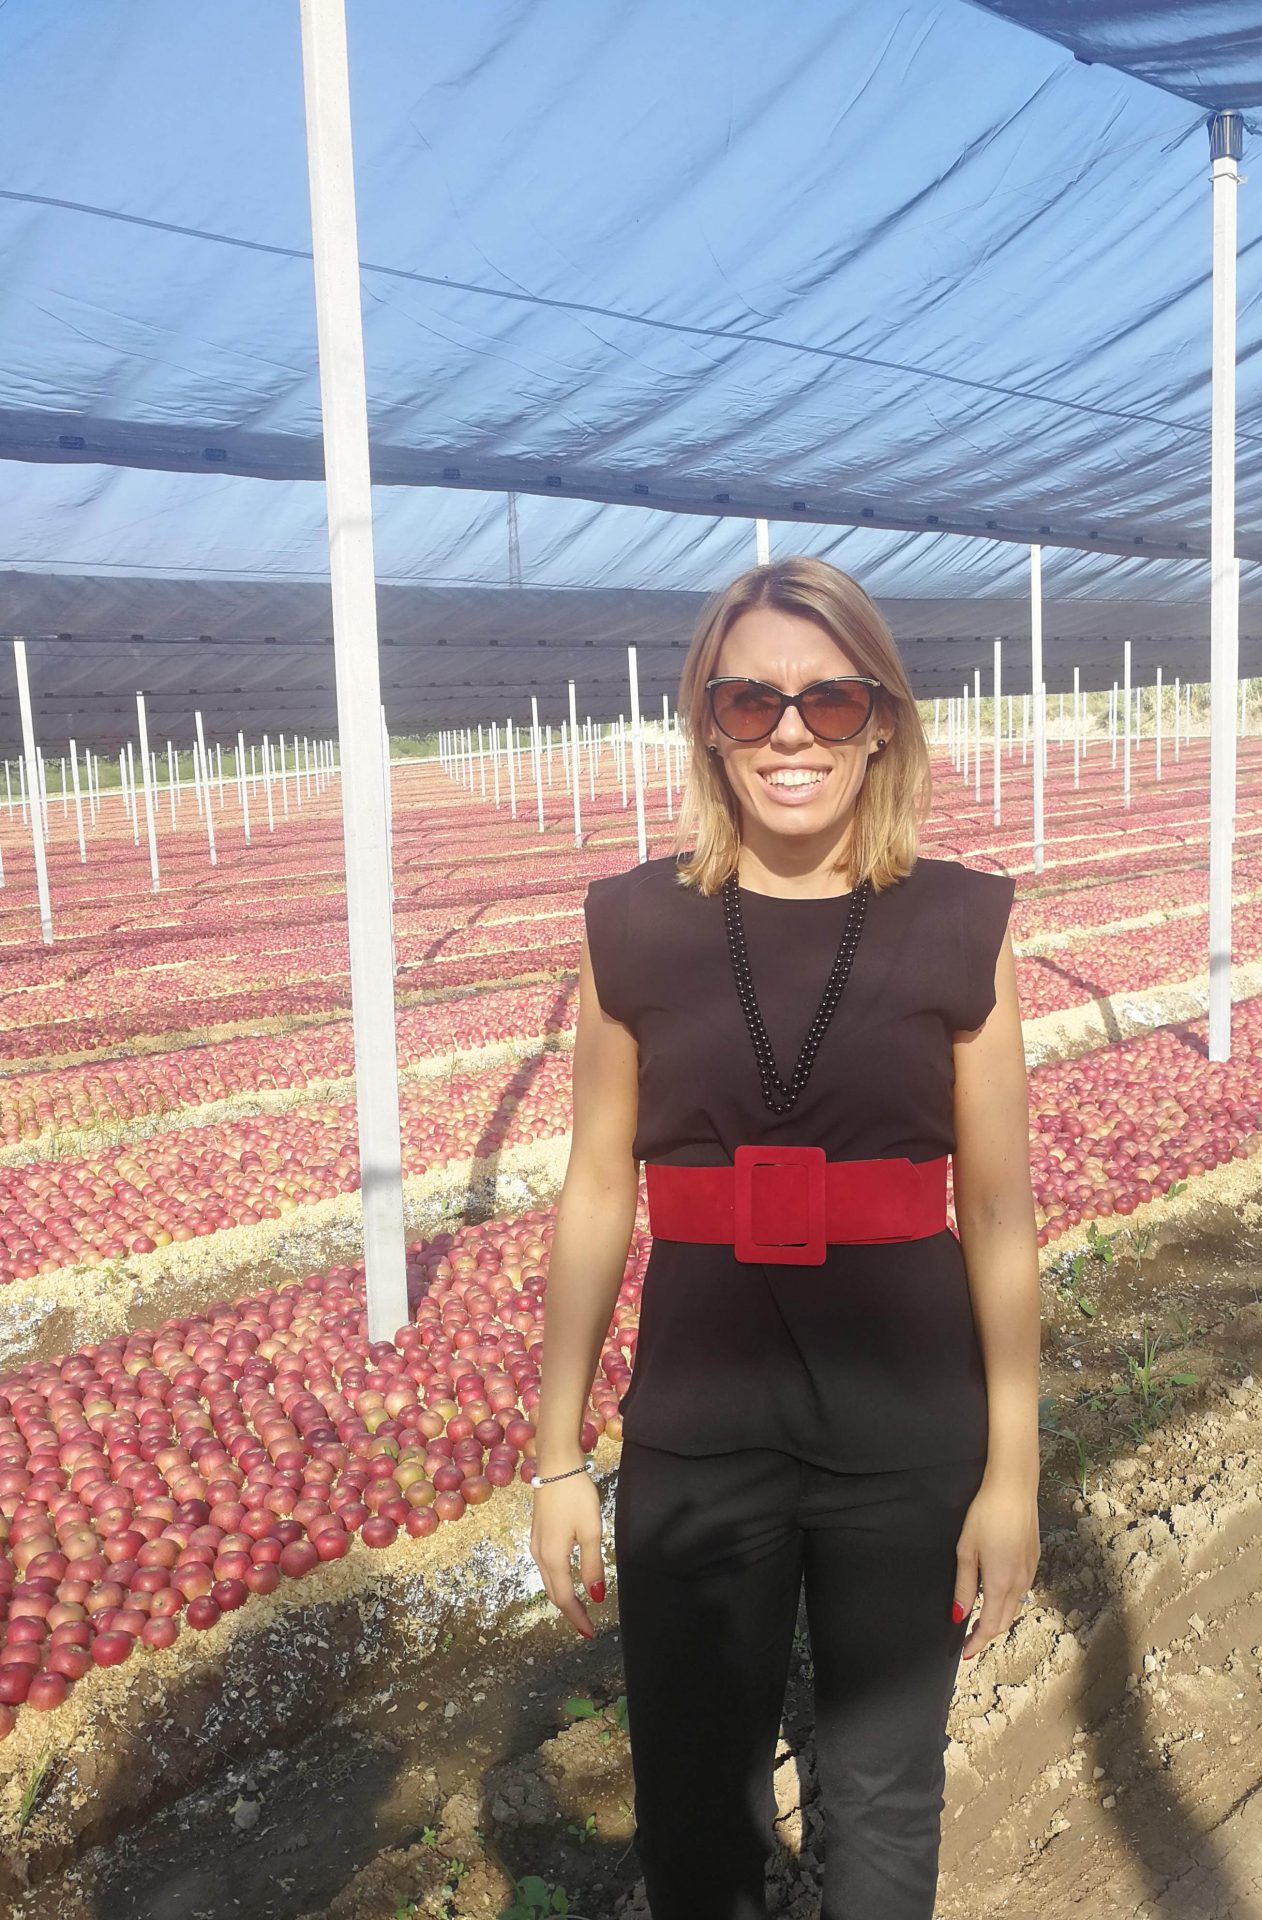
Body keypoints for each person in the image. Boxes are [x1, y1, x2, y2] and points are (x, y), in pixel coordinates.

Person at [530, 556, 1040, 1920]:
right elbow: (597, 1190)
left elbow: (997, 1212)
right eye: (751, 702)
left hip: (905, 1430)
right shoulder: (630, 926)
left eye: (831, 700)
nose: (792, 733)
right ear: (708, 724)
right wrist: (557, 1452)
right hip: (698, 1430)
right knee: (696, 1811)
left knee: (883, 1800)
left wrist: (1014, 1471)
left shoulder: (963, 924)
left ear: (882, 721)